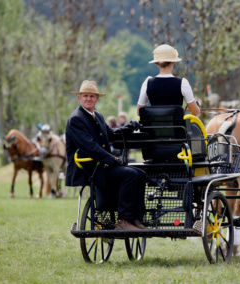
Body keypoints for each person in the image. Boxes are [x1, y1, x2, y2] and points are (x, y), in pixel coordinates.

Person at [65, 80, 147, 230]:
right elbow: (90, 147)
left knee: (141, 174)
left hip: (102, 165)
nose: (89, 99)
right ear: (80, 98)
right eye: (85, 96)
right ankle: (123, 221)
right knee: (130, 175)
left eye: (92, 96)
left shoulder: (97, 116)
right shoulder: (76, 119)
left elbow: (111, 135)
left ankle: (136, 218)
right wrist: (113, 160)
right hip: (90, 168)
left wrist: (127, 128)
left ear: (97, 99)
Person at [137, 44, 200, 116]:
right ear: (173, 61)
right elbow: (196, 112)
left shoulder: (147, 82)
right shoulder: (183, 83)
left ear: (156, 63)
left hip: (154, 127)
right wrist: (197, 107)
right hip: (177, 127)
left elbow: (139, 112)